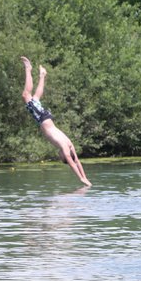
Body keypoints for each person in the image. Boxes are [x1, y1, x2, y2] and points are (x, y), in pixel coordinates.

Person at [20, 56, 92, 187]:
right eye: (62, 158)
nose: (59, 156)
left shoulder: (70, 145)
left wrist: (85, 177)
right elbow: (72, 162)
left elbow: (77, 161)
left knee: (36, 98)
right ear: (65, 156)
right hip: (42, 118)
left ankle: (42, 75)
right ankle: (28, 69)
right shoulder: (65, 148)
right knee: (26, 95)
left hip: (45, 118)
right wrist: (81, 178)